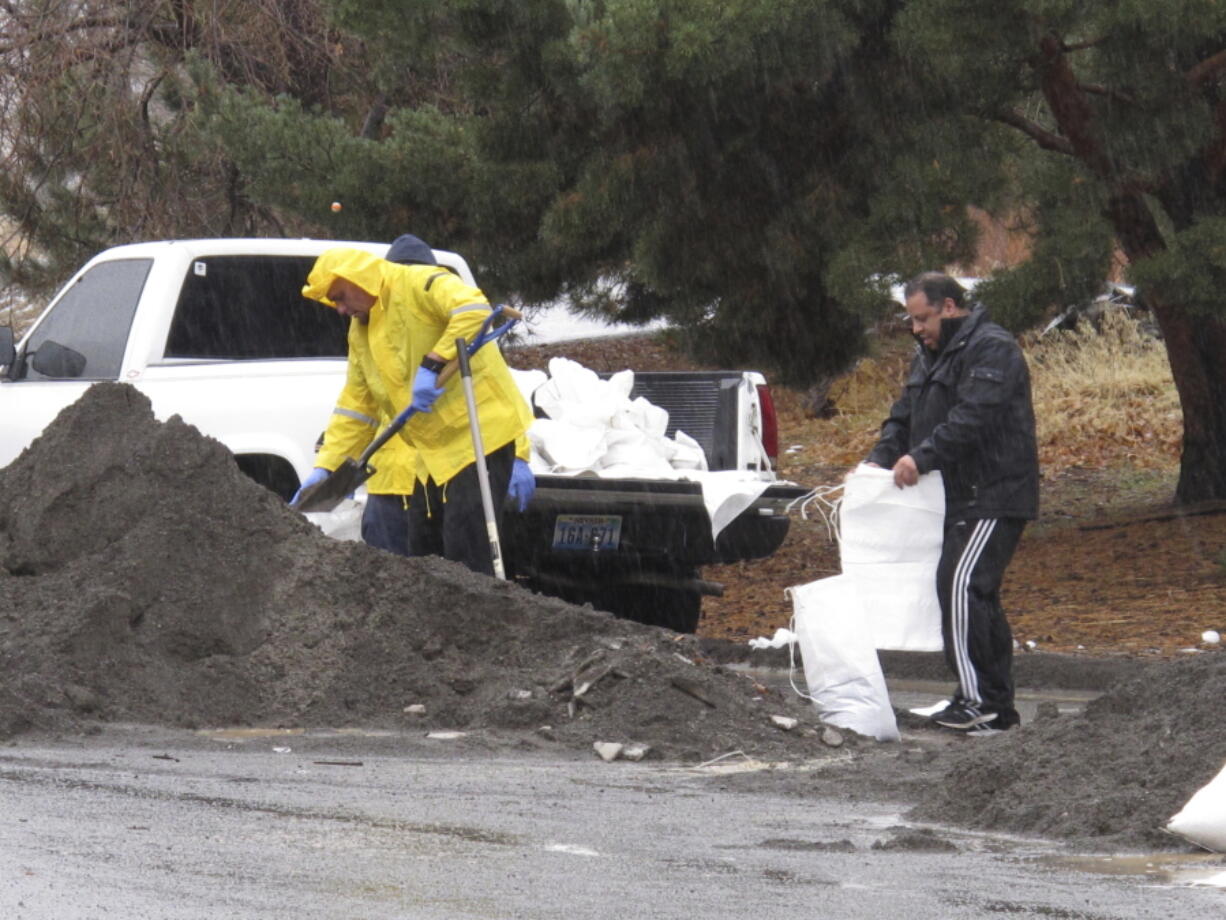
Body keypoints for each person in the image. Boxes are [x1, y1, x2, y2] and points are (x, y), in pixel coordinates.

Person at [298, 235, 536, 575]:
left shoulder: (417, 282)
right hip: (431, 454)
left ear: (357, 278)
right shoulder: (361, 329)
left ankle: (474, 624)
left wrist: (434, 364)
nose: (339, 308)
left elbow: (473, 310)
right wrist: (327, 467)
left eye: (339, 297)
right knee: (426, 558)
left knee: (465, 554)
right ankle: (439, 626)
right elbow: (356, 406)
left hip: (477, 440)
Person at [866, 271, 1038, 732]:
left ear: (948, 306)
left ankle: (981, 702)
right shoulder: (929, 355)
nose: (916, 329)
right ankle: (990, 703)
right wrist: (877, 462)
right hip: (954, 498)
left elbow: (973, 418)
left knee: (962, 586)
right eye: (911, 320)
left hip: (995, 492)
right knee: (974, 595)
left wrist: (920, 458)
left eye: (922, 318)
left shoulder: (992, 348)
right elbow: (902, 416)